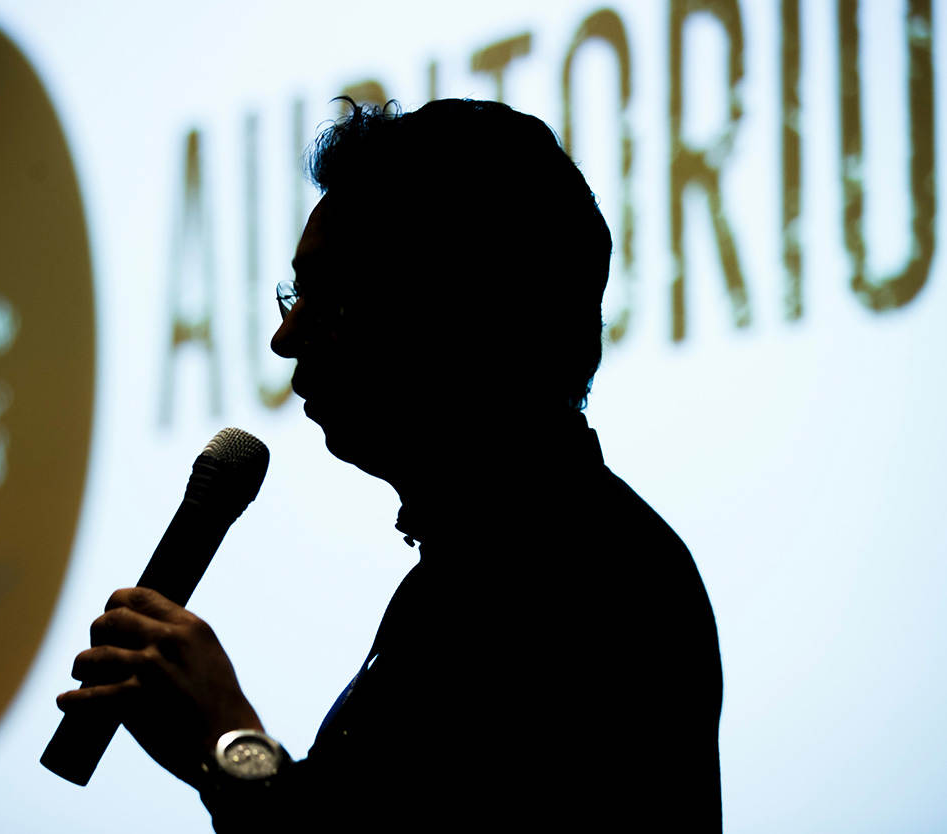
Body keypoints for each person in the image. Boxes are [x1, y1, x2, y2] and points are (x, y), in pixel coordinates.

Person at [57, 98, 723, 831]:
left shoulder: (593, 580)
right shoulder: (471, 569)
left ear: (455, 313)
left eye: (325, 299)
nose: (284, 338)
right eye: (292, 296)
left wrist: (226, 738)